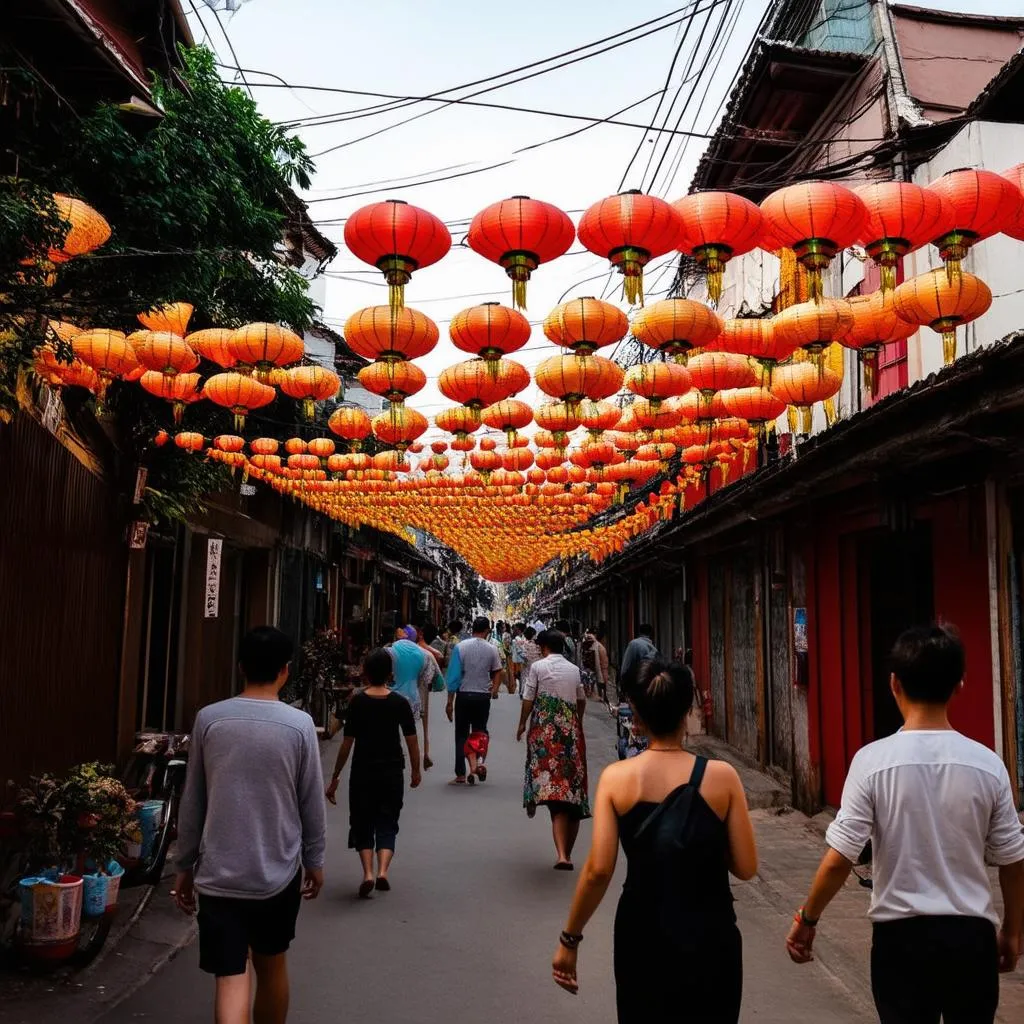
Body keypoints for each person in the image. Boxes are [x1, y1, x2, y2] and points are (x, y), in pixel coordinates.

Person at [786, 625, 1024, 1023]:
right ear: (959, 685)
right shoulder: (988, 765)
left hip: (901, 940)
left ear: (893, 683)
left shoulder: (872, 762)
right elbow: (1013, 861)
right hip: (971, 938)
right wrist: (1013, 931)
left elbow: (840, 858)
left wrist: (807, 919)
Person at [552, 658, 757, 1022]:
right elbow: (745, 866)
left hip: (642, 934)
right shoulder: (723, 777)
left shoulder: (617, 778)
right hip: (711, 935)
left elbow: (599, 870)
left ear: (638, 717)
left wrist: (570, 939)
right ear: (687, 711)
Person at [173, 627, 326, 1024]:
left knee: (230, 976)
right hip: (277, 869)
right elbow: (311, 800)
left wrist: (183, 866)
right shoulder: (300, 725)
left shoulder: (210, 720)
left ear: (240, 667)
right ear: (285, 671)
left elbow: (194, 801)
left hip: (219, 871)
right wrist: (315, 859)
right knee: (272, 966)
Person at [325, 648, 421, 898]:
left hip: (362, 771)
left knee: (362, 820)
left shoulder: (357, 701)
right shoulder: (400, 703)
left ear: (365, 673)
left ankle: (367, 872)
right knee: (388, 820)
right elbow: (411, 739)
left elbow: (347, 742)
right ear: (390, 674)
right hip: (391, 771)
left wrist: (335, 776)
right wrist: (415, 770)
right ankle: (383, 872)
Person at [517, 629, 590, 869]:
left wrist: (522, 724)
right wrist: (575, 722)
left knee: (555, 795)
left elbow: (529, 698)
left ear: (544, 647)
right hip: (570, 734)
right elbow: (581, 700)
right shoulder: (573, 670)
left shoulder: (538, 668)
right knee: (572, 793)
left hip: (545, 735)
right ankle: (565, 854)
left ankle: (562, 855)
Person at [445, 615, 504, 785]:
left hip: (464, 695)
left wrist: (450, 701)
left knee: (461, 734)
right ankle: (476, 764)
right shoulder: (492, 649)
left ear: (472, 630)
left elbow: (454, 677)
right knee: (479, 732)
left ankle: (461, 774)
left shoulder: (460, 647)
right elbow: (498, 670)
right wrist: (494, 689)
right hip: (482, 697)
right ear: (487, 631)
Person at [387, 627, 433, 768]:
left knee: (391, 728)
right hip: (413, 697)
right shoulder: (423, 654)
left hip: (391, 696)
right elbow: (429, 678)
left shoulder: (389, 651)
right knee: (410, 730)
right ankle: (418, 761)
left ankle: (395, 753)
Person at [619, 624, 658, 693]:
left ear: (639, 633)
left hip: (635, 685)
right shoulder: (654, 650)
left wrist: (622, 684)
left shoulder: (634, 644)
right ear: (651, 635)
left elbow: (625, 666)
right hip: (648, 687)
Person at [582, 629, 610, 704]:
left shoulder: (590, 646)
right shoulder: (600, 648)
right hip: (595, 680)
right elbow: (602, 667)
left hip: (588, 679)